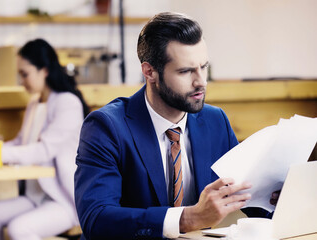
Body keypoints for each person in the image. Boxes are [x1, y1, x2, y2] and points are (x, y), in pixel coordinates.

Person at [74, 12, 276, 240]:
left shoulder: (215, 120)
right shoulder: (106, 126)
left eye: (203, 67)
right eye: (185, 71)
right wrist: (188, 218)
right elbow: (96, 218)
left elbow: (241, 198)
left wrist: (272, 200)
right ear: (149, 72)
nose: (201, 81)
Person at [0, 38, 89, 240]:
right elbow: (21, 143)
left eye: (25, 74)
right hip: (36, 196)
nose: (21, 81)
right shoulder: (35, 103)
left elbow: (43, 150)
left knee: (19, 229)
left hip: (63, 199)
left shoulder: (68, 103)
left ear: (45, 71)